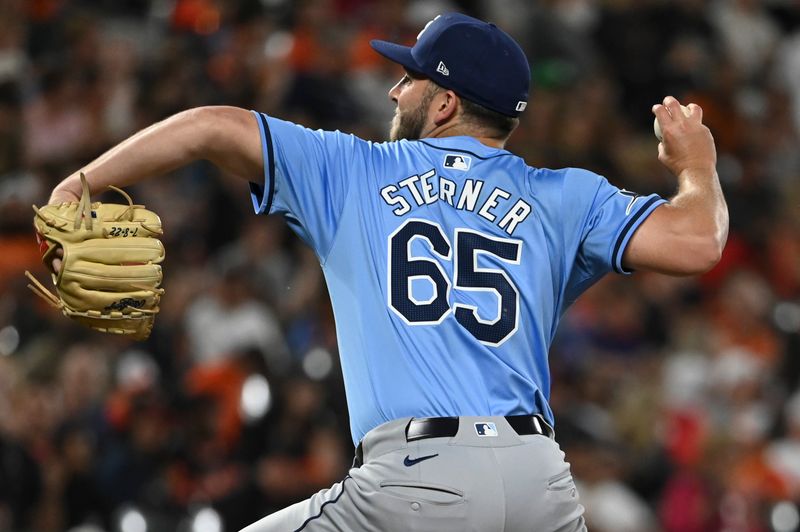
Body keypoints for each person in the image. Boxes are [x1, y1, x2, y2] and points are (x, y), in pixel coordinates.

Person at [46, 12, 727, 532]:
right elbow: (699, 242)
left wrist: (80, 183)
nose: (395, 88)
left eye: (411, 78)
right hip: (538, 486)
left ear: (446, 104)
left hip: (416, 483)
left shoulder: (357, 170)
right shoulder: (566, 195)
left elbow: (209, 126)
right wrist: (696, 164)